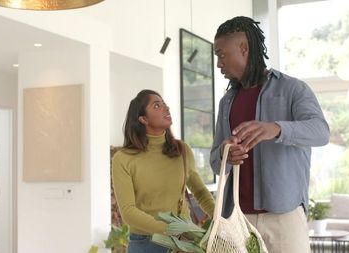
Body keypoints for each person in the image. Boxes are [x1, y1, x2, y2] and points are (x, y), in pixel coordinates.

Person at [210, 16, 330, 253]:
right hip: (238, 219)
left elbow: (321, 131)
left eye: (222, 55)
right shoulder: (227, 102)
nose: (218, 64)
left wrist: (276, 129)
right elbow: (216, 163)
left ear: (243, 49)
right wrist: (226, 154)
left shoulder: (293, 89)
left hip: (284, 218)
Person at [112, 89, 215, 253]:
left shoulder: (182, 150)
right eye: (157, 106)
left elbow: (200, 192)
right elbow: (128, 212)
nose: (166, 109)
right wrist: (172, 231)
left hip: (185, 244)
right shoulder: (123, 159)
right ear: (143, 119)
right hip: (146, 244)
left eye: (165, 104)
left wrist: (220, 221)